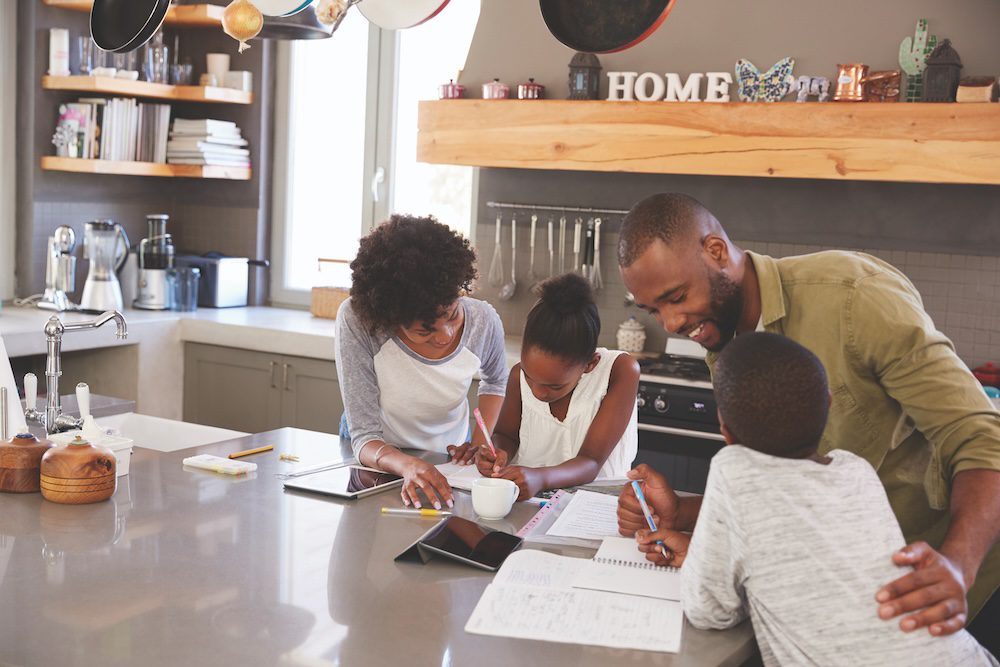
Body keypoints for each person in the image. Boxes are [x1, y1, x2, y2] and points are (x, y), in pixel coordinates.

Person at [615, 192, 1000, 653]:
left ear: (715, 252)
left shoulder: (855, 298)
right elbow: (785, 487)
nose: (672, 322)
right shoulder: (724, 336)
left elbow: (982, 439)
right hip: (851, 605)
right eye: (654, 311)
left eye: (676, 298)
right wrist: (683, 510)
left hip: (953, 590)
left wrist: (957, 565)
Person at [636, 332, 998, 666]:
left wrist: (703, 568)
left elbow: (710, 611)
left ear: (724, 428)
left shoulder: (734, 469)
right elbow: (812, 565)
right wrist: (700, 554)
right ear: (827, 405)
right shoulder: (856, 470)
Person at [335, 214, 508, 510]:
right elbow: (364, 437)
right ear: (391, 318)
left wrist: (479, 442)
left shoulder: (483, 320)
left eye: (453, 315)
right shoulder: (359, 321)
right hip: (375, 461)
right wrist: (407, 465)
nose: (446, 335)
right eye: (424, 330)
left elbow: (495, 381)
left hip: (450, 457)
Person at [475, 273, 639, 500]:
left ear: (590, 364)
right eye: (530, 376)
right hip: (531, 504)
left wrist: (539, 478)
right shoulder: (517, 376)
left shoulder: (619, 371)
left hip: (597, 505)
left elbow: (591, 461)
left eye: (554, 386)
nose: (538, 392)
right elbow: (506, 435)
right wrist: (498, 452)